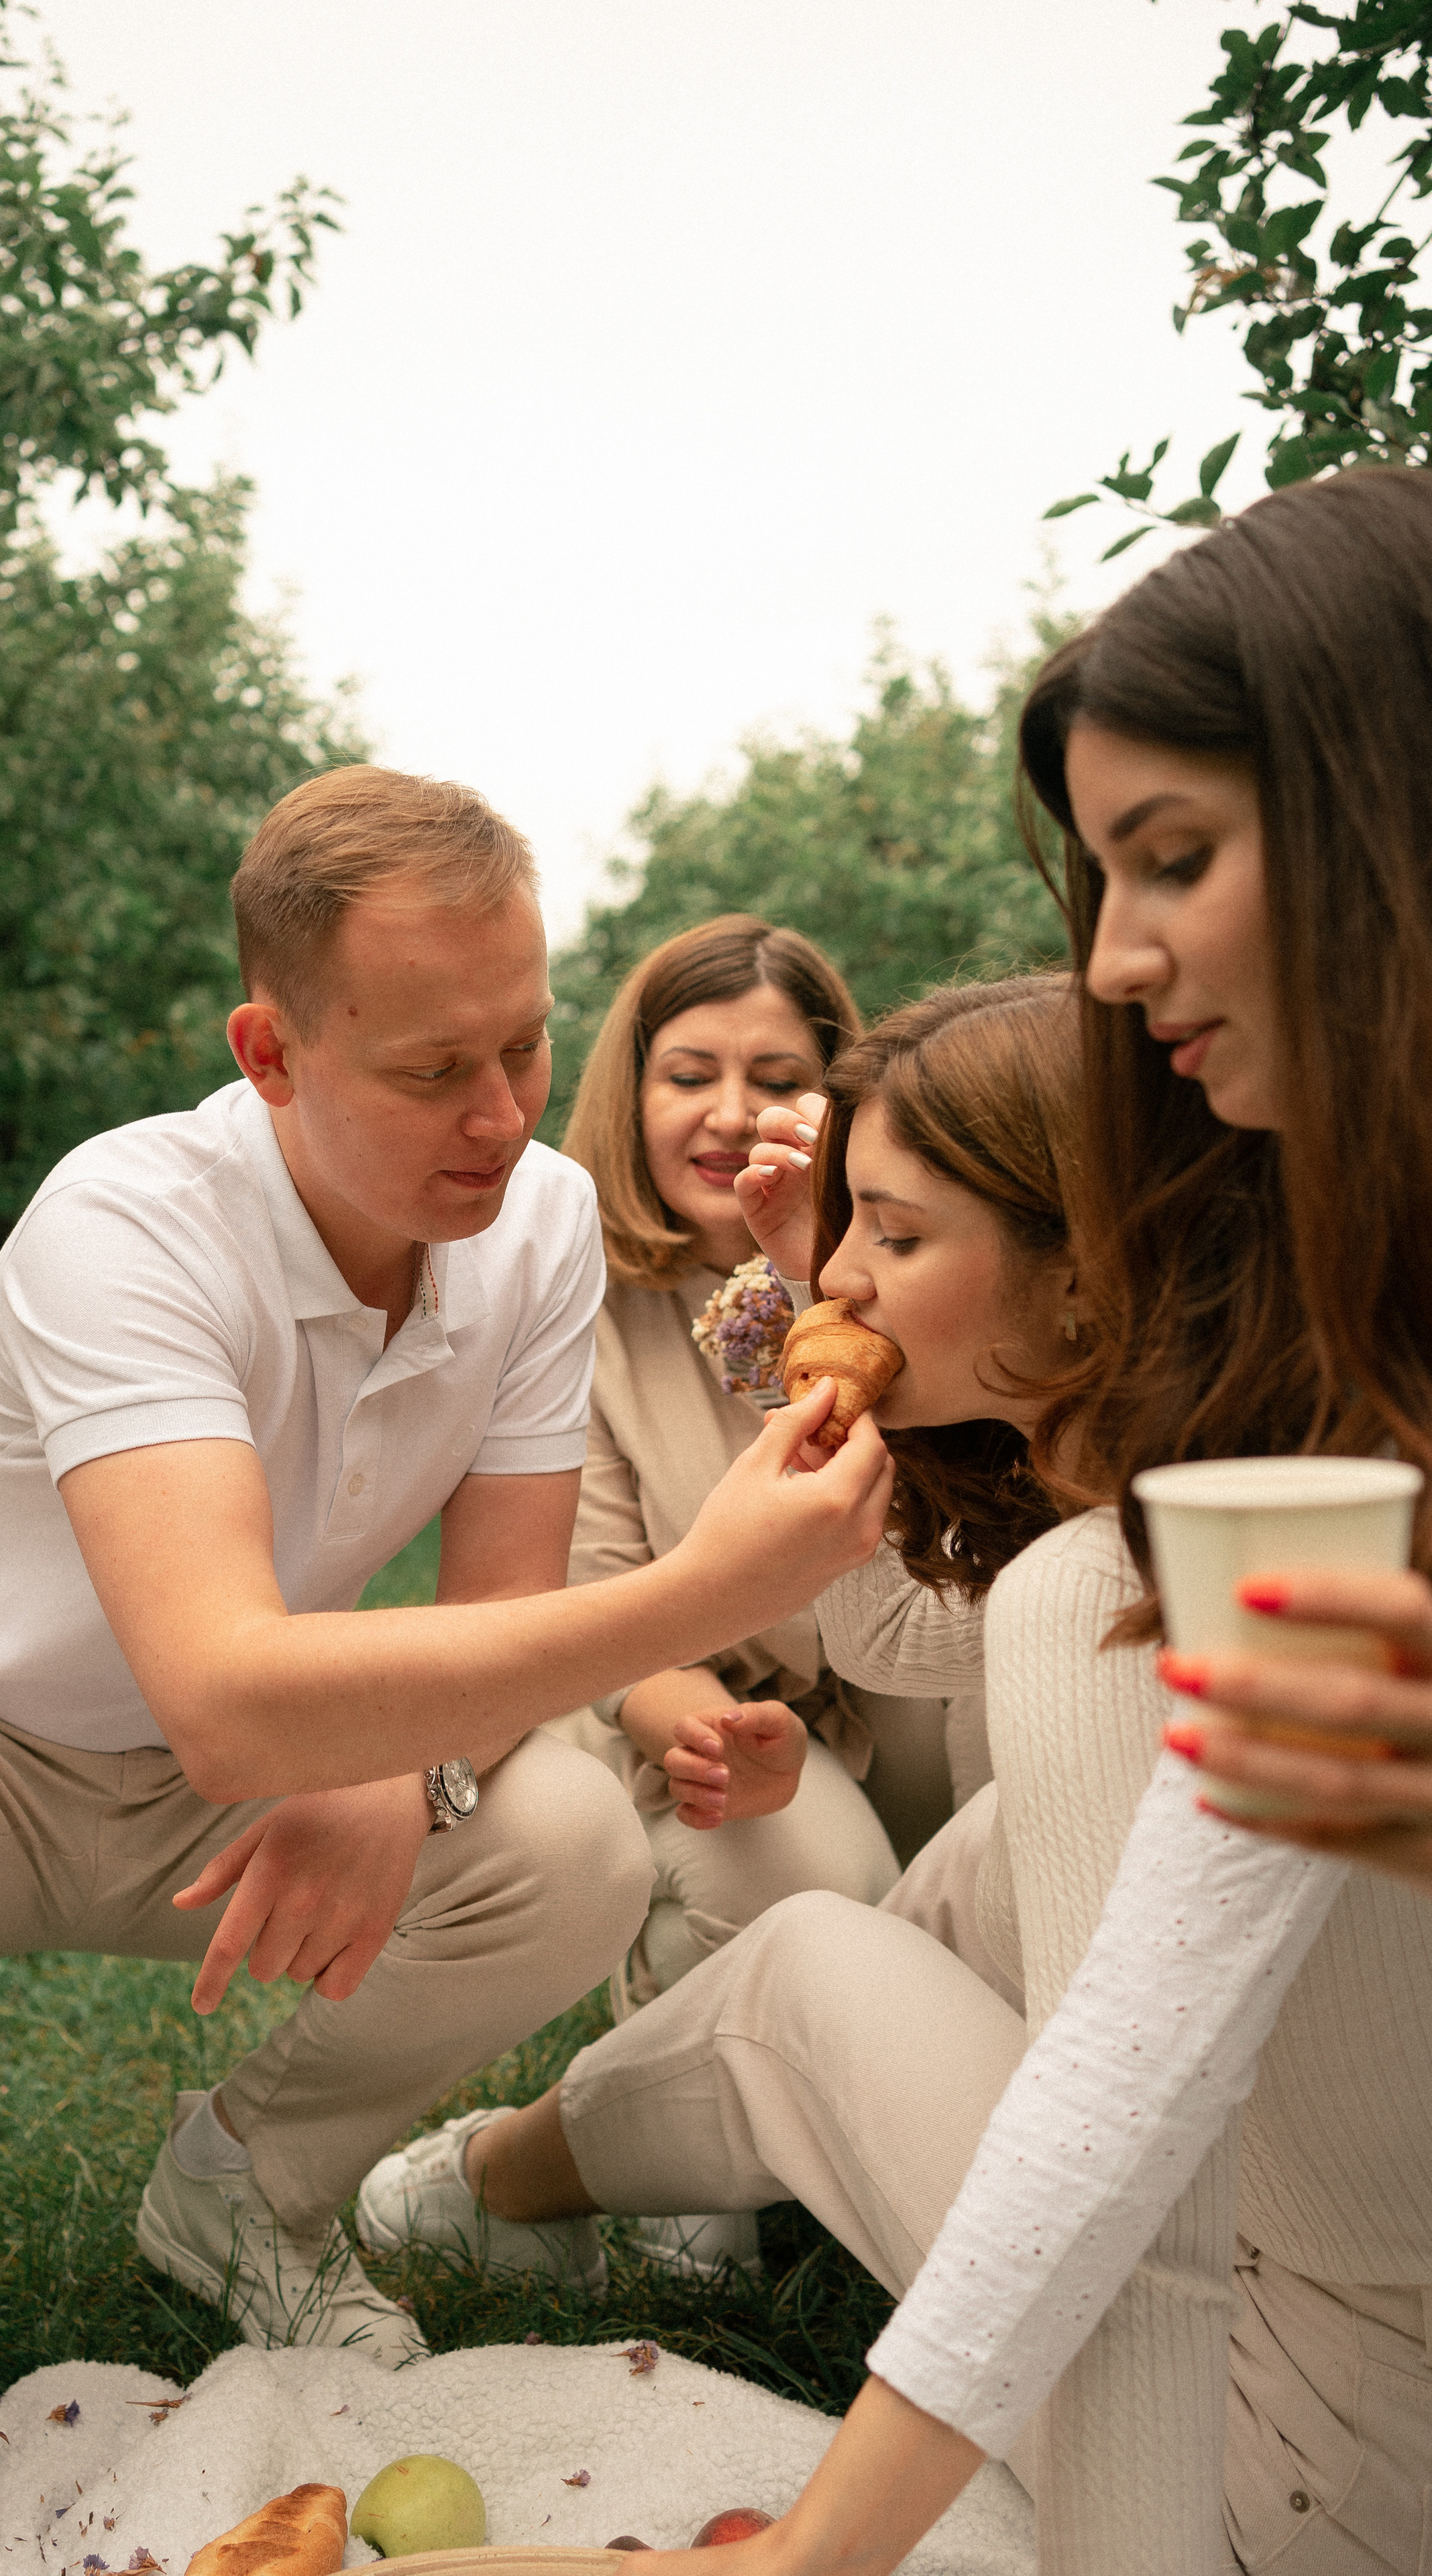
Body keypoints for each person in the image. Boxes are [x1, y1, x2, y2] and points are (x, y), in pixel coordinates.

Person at [366, 472, 1432, 2573]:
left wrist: (808, 2554)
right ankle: (528, 2175)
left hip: (1318, 2448)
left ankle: (489, 2184)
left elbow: (1136, 2094)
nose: (1118, 960)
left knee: (841, 1949)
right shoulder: (1315, 1380)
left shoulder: (1149, 1540)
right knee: (950, 1892)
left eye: (1178, 862)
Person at [0, 766, 894, 2544]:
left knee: (569, 1841)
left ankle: (246, 2192)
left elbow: (496, 1621)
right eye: (434, 1069)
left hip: (252, 1782)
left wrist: (403, 1772)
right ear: (270, 1055)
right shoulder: (128, 1222)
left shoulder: (542, 1221)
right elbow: (221, 1688)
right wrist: (703, 1592)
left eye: (526, 1044)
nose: (503, 1115)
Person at [357, 970, 1078, 2304]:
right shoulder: (574, 1305)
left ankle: (879, 2102)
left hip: (888, 1704)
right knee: (809, 1880)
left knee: (927, 1848)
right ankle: (664, 2158)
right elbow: (583, 1596)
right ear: (627, 1092)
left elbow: (926, 1606)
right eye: (689, 1074)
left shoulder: (945, 1361)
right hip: (704, 1703)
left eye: (776, 1076)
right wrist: (700, 1718)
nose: (732, 1112)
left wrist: (813, 1275)